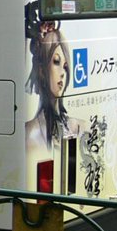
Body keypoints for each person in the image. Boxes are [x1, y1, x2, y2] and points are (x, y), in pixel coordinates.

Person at [25, 16, 82, 160]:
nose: (63, 73)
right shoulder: (30, 133)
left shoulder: (78, 126)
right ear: (41, 70)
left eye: (66, 67)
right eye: (56, 62)